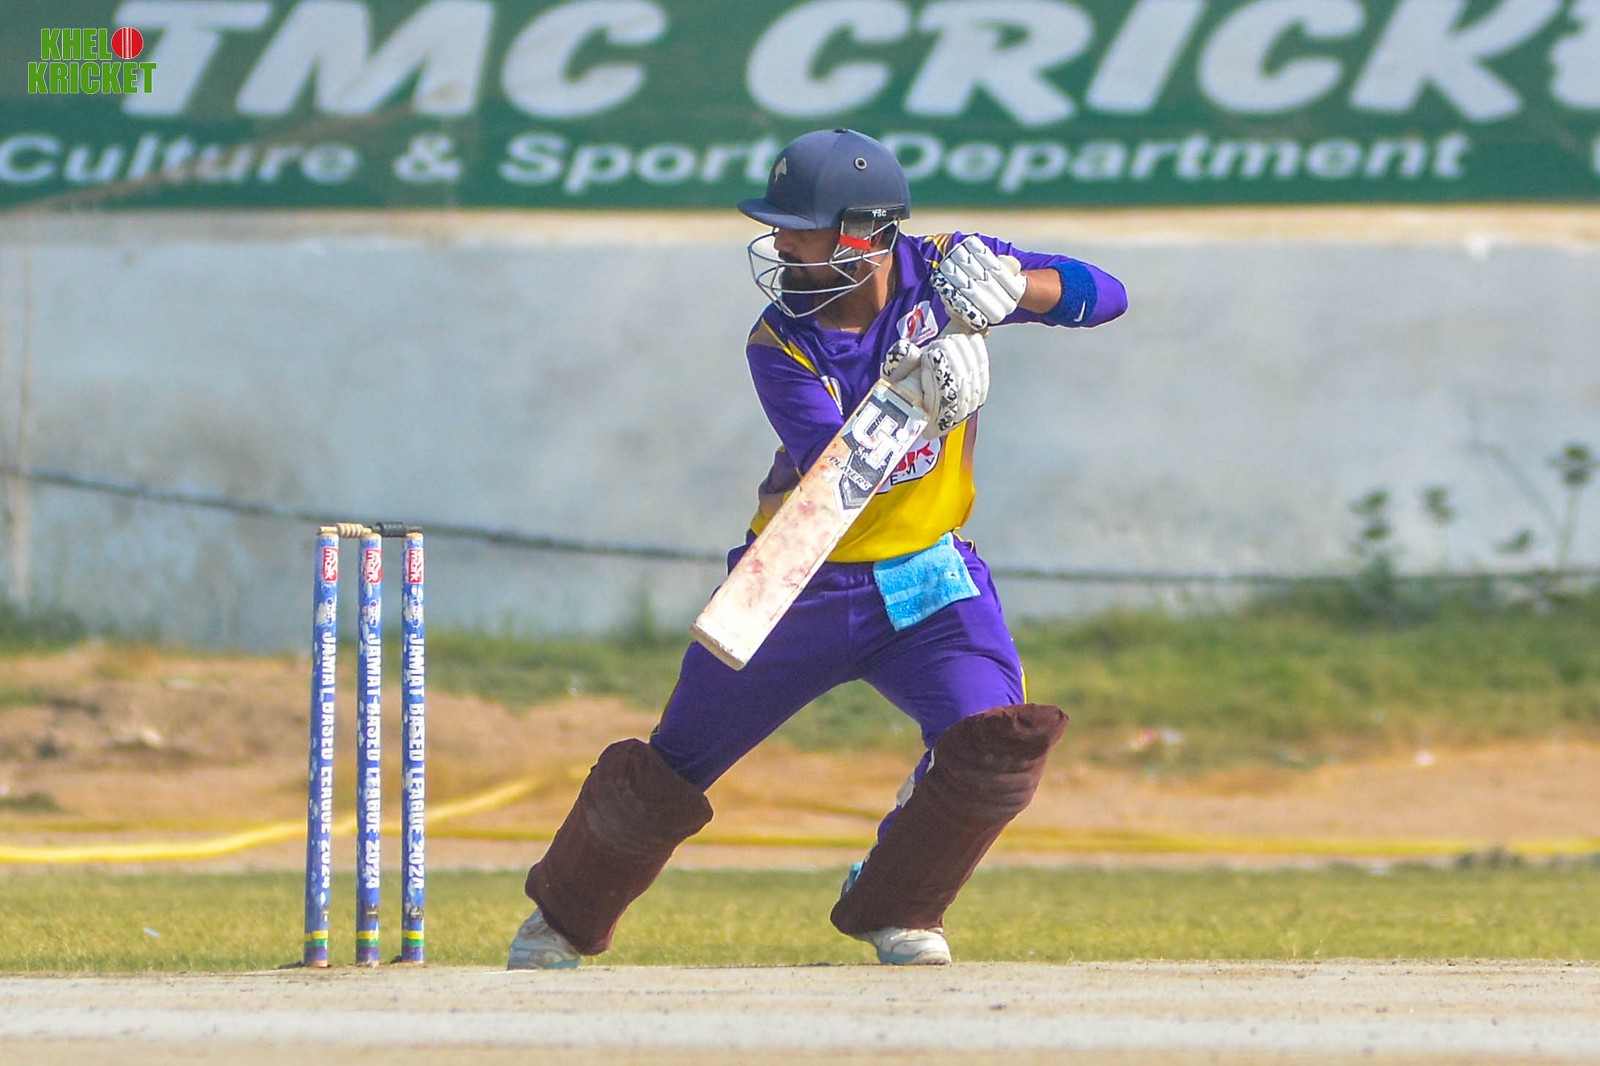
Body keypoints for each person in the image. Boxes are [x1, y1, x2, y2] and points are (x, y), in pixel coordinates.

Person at [508, 128, 1128, 969]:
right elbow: (838, 472)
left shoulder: (944, 269)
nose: (781, 244)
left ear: (866, 232)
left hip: (929, 574)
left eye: (800, 228)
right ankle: (558, 921)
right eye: (780, 226)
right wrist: (919, 398)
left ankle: (897, 905)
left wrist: (1025, 286)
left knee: (994, 746)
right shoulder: (780, 342)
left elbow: (1109, 295)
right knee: (677, 762)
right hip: (797, 580)